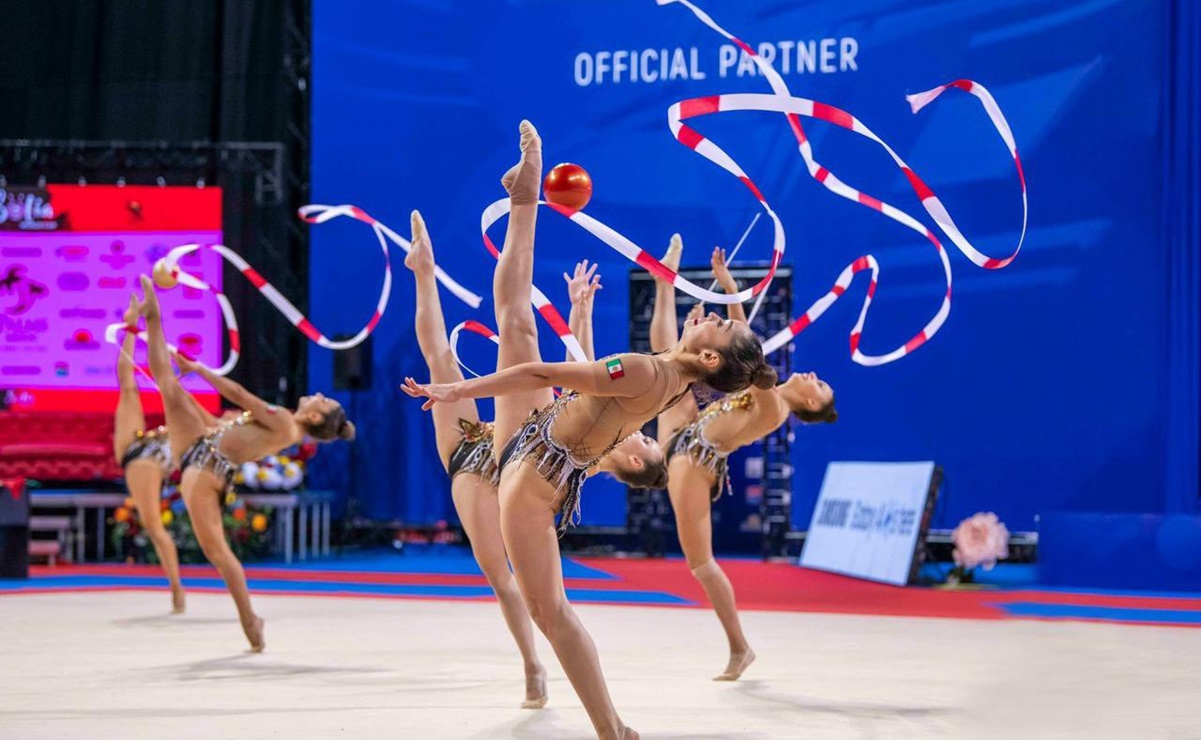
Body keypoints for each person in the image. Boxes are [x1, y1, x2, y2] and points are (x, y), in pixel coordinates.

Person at [402, 121, 777, 740]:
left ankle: (612, 730)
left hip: (532, 478)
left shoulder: (647, 372)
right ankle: (525, 200)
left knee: (551, 612)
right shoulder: (677, 382)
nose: (705, 312)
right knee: (517, 319)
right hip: (539, 441)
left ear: (710, 358)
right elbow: (645, 368)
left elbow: (546, 369)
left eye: (715, 322)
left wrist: (457, 392)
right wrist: (727, 303)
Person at [401, 211, 601, 709]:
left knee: (506, 575)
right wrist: (580, 310)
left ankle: (535, 665)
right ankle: (423, 269)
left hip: (497, 456)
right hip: (484, 450)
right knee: (443, 363)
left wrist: (580, 315)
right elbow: (580, 368)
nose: (640, 442)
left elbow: (580, 374)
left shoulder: (594, 457)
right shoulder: (599, 447)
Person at [133, 275, 355, 651]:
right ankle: (153, 318)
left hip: (206, 469)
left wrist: (200, 371)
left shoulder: (286, 422)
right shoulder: (284, 424)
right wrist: (192, 402)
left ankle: (249, 619)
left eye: (322, 401)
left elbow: (238, 393)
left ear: (316, 418)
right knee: (169, 388)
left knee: (217, 552)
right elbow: (224, 425)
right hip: (203, 447)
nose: (316, 394)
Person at [651, 236, 837, 681]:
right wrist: (725, 293)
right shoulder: (771, 397)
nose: (814, 378)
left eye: (821, 387)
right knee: (667, 364)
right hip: (686, 432)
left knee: (700, 563)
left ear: (810, 406)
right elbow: (742, 352)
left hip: (694, 462)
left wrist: (730, 289)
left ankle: (739, 647)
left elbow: (746, 355)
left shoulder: (776, 408)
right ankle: (664, 279)